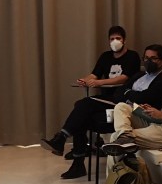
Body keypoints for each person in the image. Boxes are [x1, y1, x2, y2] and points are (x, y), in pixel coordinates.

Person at [52, 44, 162, 179]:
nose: (148, 61)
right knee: (81, 105)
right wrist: (129, 94)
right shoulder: (140, 75)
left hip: (133, 116)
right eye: (146, 58)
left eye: (153, 58)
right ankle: (65, 142)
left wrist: (128, 93)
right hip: (118, 105)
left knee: (82, 116)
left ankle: (73, 156)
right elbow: (119, 92)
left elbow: (143, 98)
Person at [41, 26, 140, 164]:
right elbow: (94, 75)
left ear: (124, 40)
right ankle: (72, 152)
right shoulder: (105, 56)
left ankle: (66, 143)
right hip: (104, 98)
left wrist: (99, 82)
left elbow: (124, 78)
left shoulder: (132, 56)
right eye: (112, 39)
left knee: (83, 105)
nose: (115, 41)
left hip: (119, 100)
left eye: (118, 38)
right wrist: (85, 80)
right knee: (81, 109)